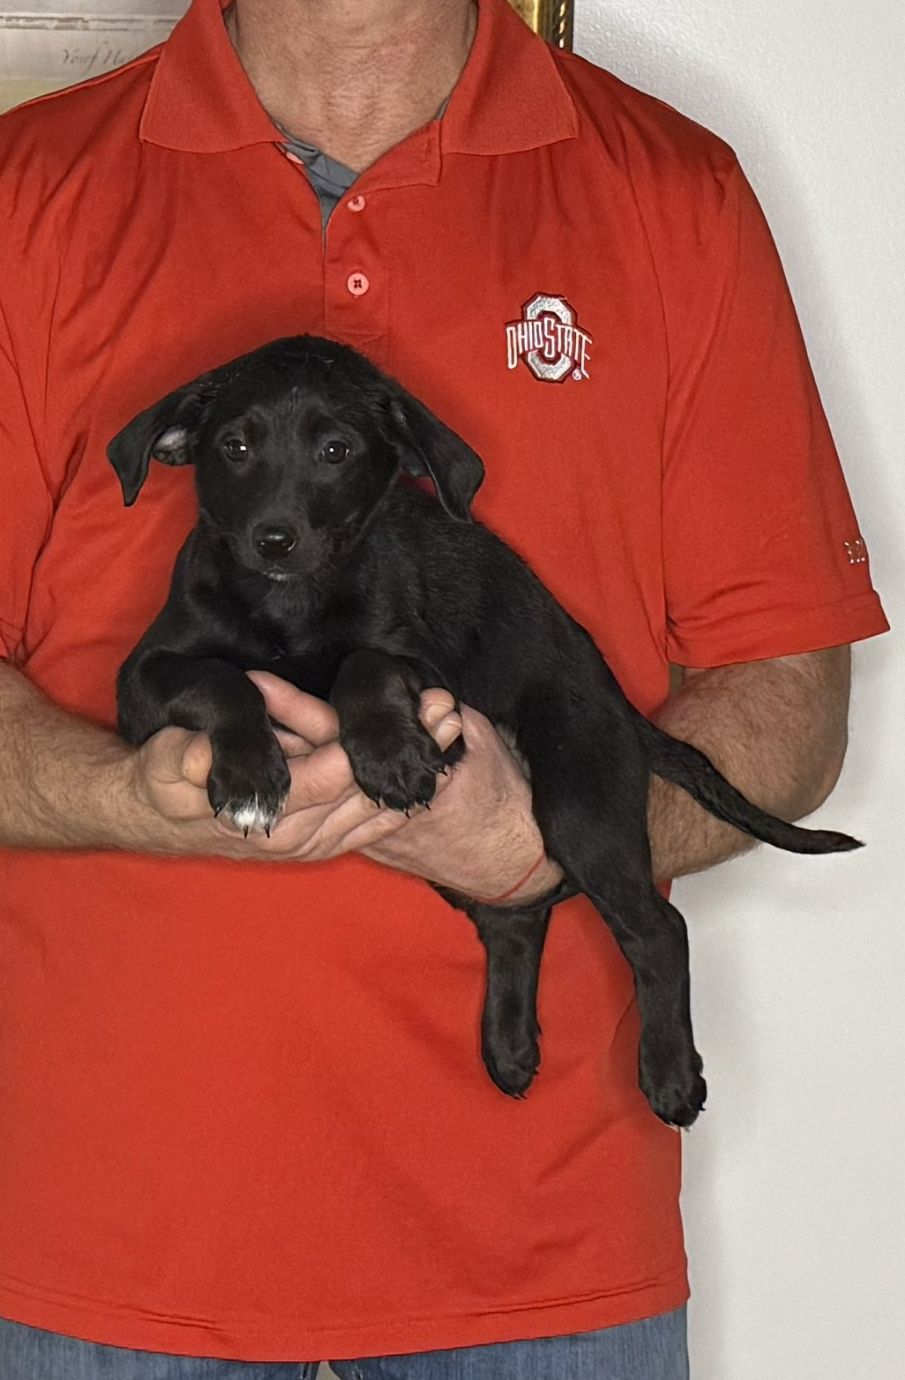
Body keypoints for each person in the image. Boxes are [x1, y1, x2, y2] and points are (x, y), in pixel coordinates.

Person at [0, 0, 887, 1376]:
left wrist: (540, 841)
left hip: (538, 1272)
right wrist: (117, 792)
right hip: (101, 1258)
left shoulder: (671, 192)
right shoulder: (28, 192)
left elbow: (784, 695)